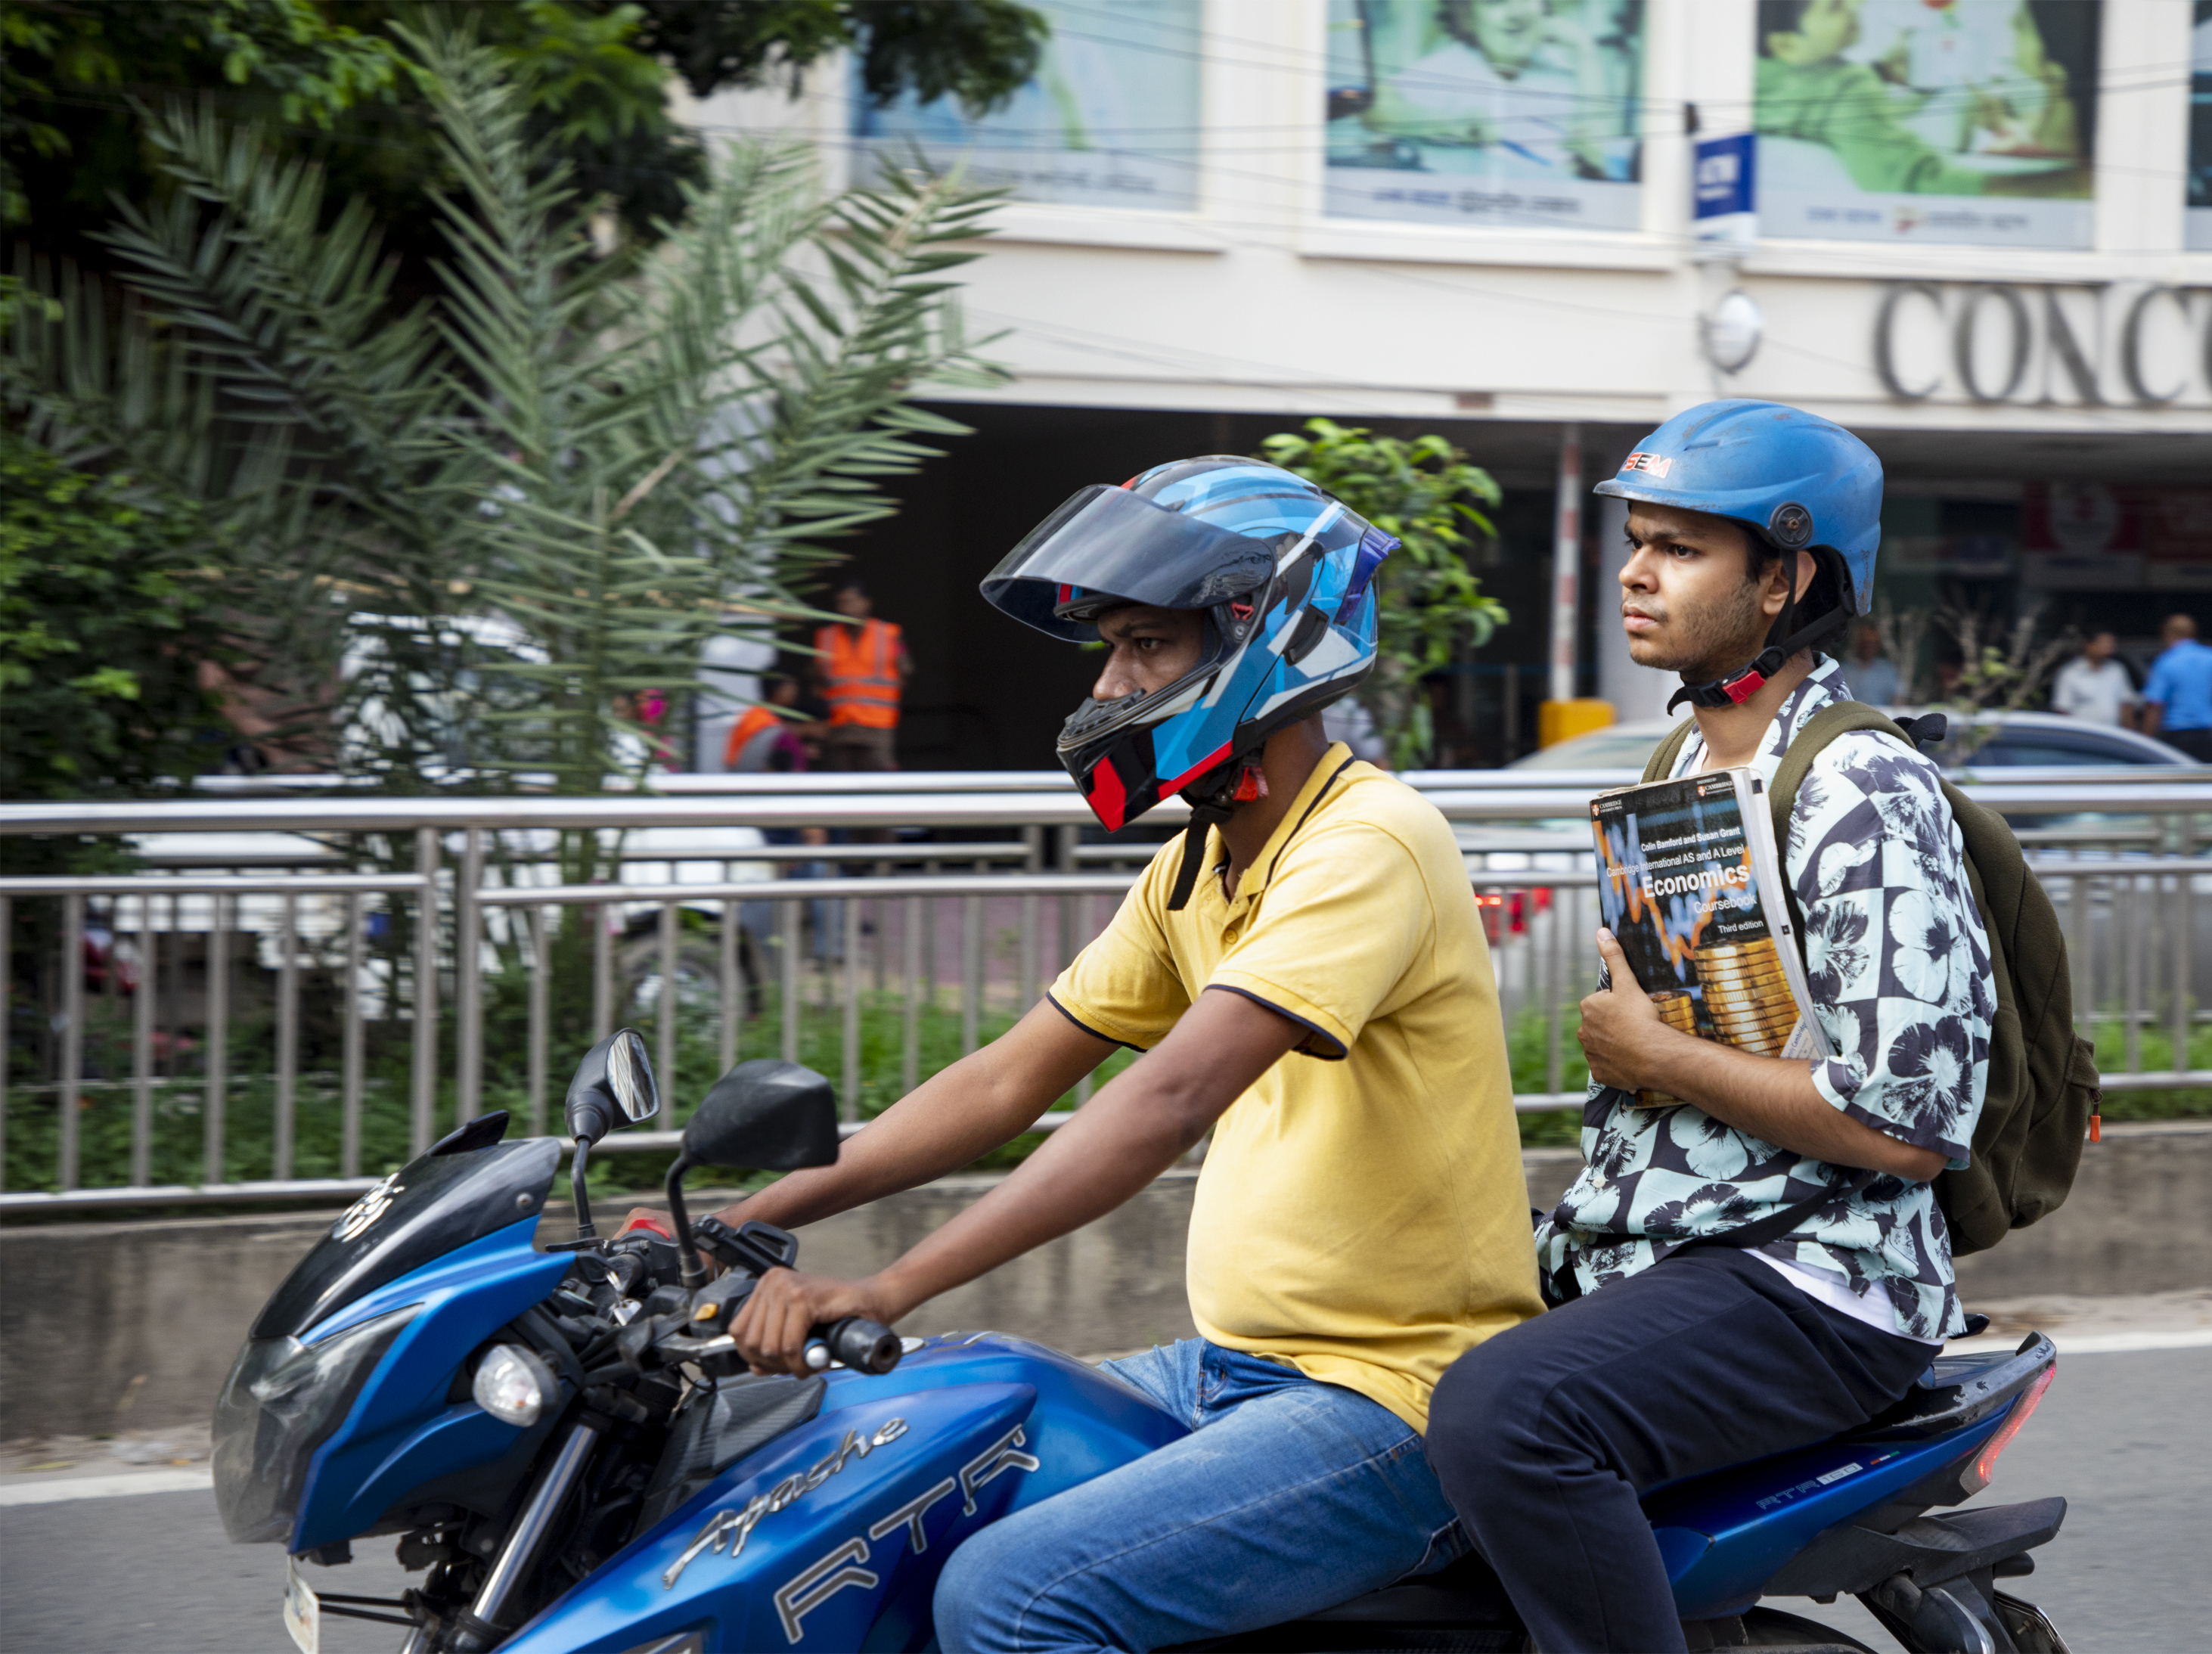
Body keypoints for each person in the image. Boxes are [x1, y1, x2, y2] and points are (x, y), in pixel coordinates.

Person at [628, 457, 1540, 1651]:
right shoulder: (1200, 860)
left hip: (1387, 1401)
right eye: (1110, 648)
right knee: (871, 1454)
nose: (1111, 684)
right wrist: (737, 1220)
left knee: (1008, 1596)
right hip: (1232, 1365)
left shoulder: (1366, 842)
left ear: (1270, 640)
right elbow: (1009, 1078)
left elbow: (1162, 1100)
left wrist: (886, 1284)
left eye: (1147, 648)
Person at [1425, 401, 1993, 1654]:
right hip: (1675, 1239)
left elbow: (1907, 1129)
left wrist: (1658, 1057)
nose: (1635, 570)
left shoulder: (1863, 789)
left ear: (1788, 577)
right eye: (1638, 539)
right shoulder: (1684, 755)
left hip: (1819, 1273)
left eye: (1681, 547)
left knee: (1506, 1417)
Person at [1755, 0, 2086, 198]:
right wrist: (2074, 188)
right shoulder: (1844, 86)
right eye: (1835, 6)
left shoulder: (1745, 76)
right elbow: (1922, 183)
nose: (1855, 5)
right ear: (1786, 46)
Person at [812, 580, 911, 771]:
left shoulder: (890, 634)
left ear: (867, 603)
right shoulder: (825, 637)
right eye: (841, 603)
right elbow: (816, 682)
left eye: (851, 602)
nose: (845, 608)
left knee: (881, 787)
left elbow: (904, 676)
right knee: (840, 788)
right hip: (839, 729)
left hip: (877, 729)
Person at [2141, 614, 2212, 762]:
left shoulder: (2167, 661)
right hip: (2208, 734)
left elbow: (2155, 705)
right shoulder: (2209, 658)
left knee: (2181, 781)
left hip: (2178, 736)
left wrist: (2145, 742)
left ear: (2168, 635)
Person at [2049, 631, 2139, 731]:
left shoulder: (2116, 669)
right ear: (2087, 644)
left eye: (2111, 643)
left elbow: (2126, 705)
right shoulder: (2070, 673)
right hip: (2082, 736)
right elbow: (2063, 710)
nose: (2109, 647)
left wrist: (2130, 734)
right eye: (2104, 643)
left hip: (2112, 735)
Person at [721, 671, 808, 773]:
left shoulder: (752, 715)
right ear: (777, 690)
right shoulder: (767, 724)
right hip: (751, 779)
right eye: (791, 685)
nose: (795, 690)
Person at [1844, 618, 1900, 706]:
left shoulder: (1888, 670)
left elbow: (1898, 701)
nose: (1869, 647)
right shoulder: (1843, 671)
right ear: (1858, 643)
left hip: (1881, 718)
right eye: (1866, 643)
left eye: (1873, 643)